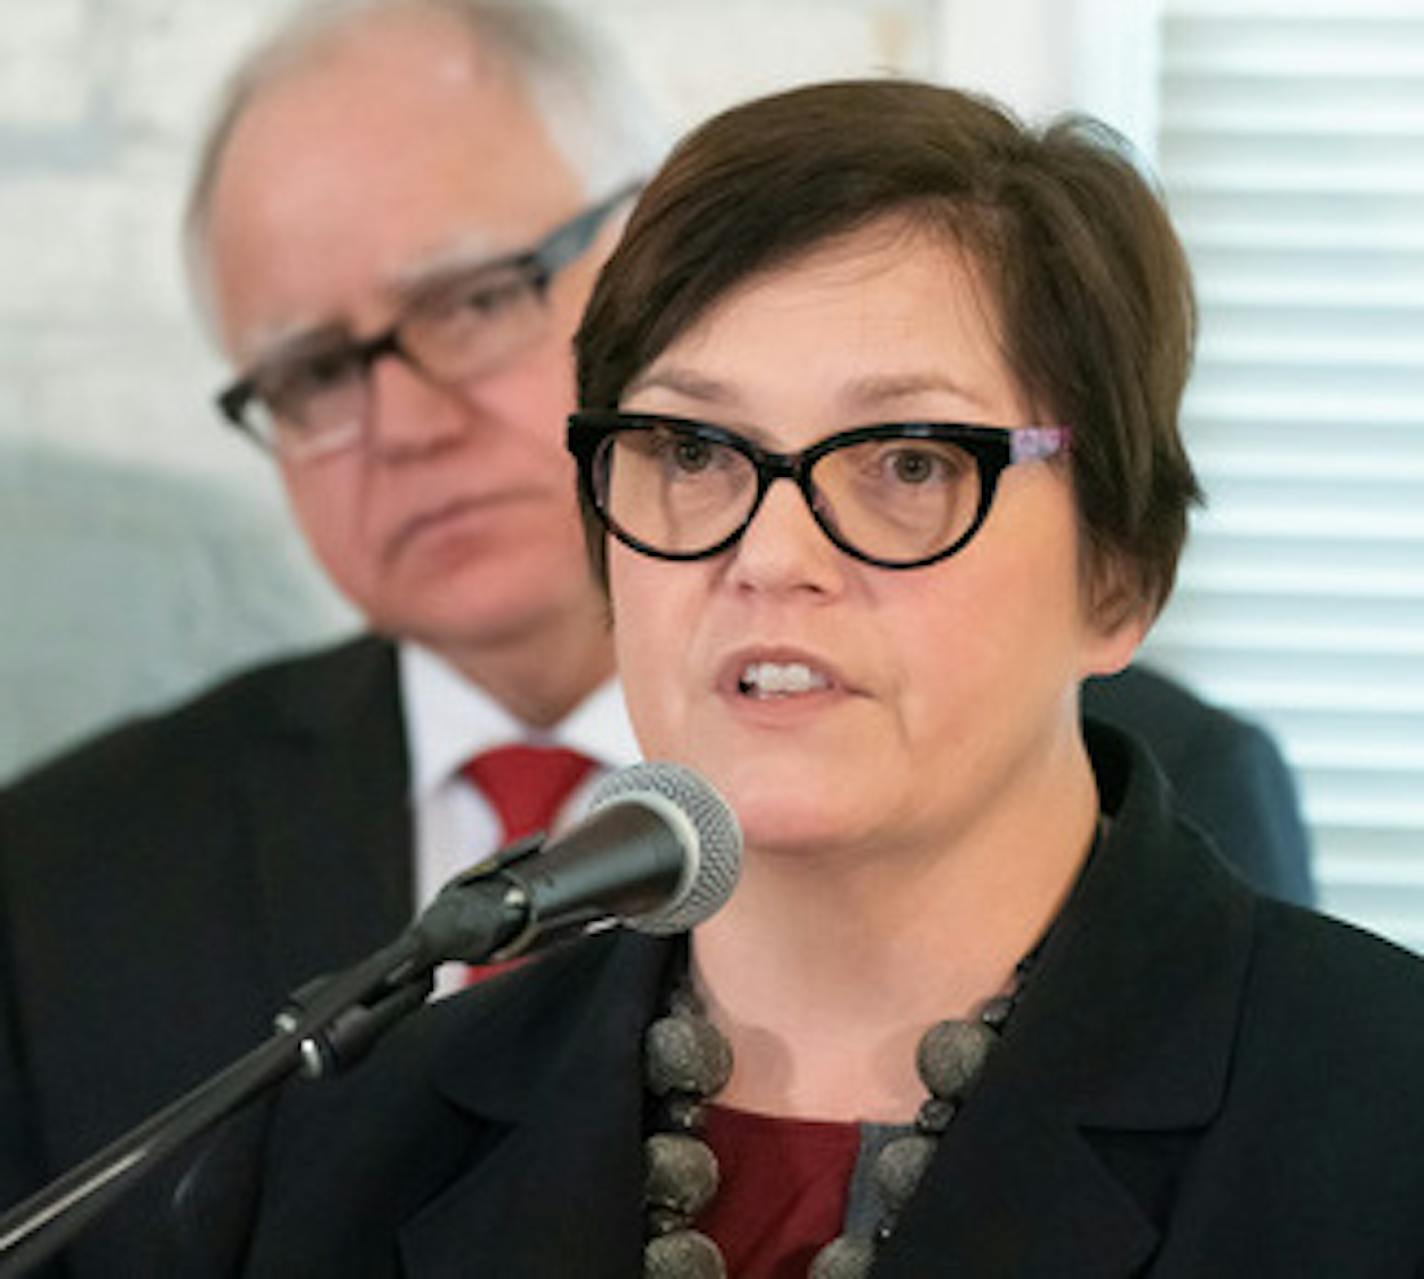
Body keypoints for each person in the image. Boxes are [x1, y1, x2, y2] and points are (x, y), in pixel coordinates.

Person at [0, 0, 1309, 1271]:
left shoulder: (1338, 1089)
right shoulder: (310, 1086)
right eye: (695, 449)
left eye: (911, 461)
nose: (774, 551)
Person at [0, 2, 659, 1274]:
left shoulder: (1107, 800)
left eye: (472, 300)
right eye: (312, 372)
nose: (402, 424)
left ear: (657, 259)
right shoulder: (59, 886)